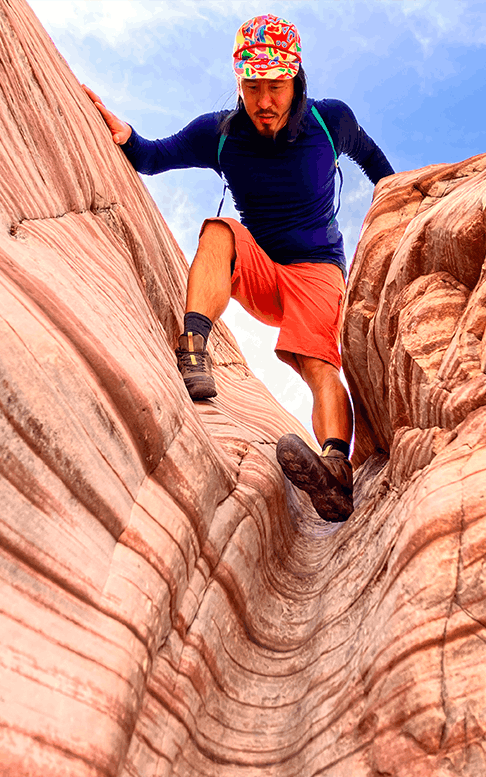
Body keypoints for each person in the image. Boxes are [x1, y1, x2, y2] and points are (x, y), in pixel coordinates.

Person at [83, 15, 396, 523]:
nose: (264, 101)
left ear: (296, 80)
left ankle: (335, 469)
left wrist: (403, 207)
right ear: (239, 84)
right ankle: (193, 351)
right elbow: (152, 156)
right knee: (219, 230)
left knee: (320, 363)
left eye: (275, 86)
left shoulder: (330, 121)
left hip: (318, 268)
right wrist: (127, 136)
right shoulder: (220, 134)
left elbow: (376, 165)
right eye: (252, 87)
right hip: (258, 268)